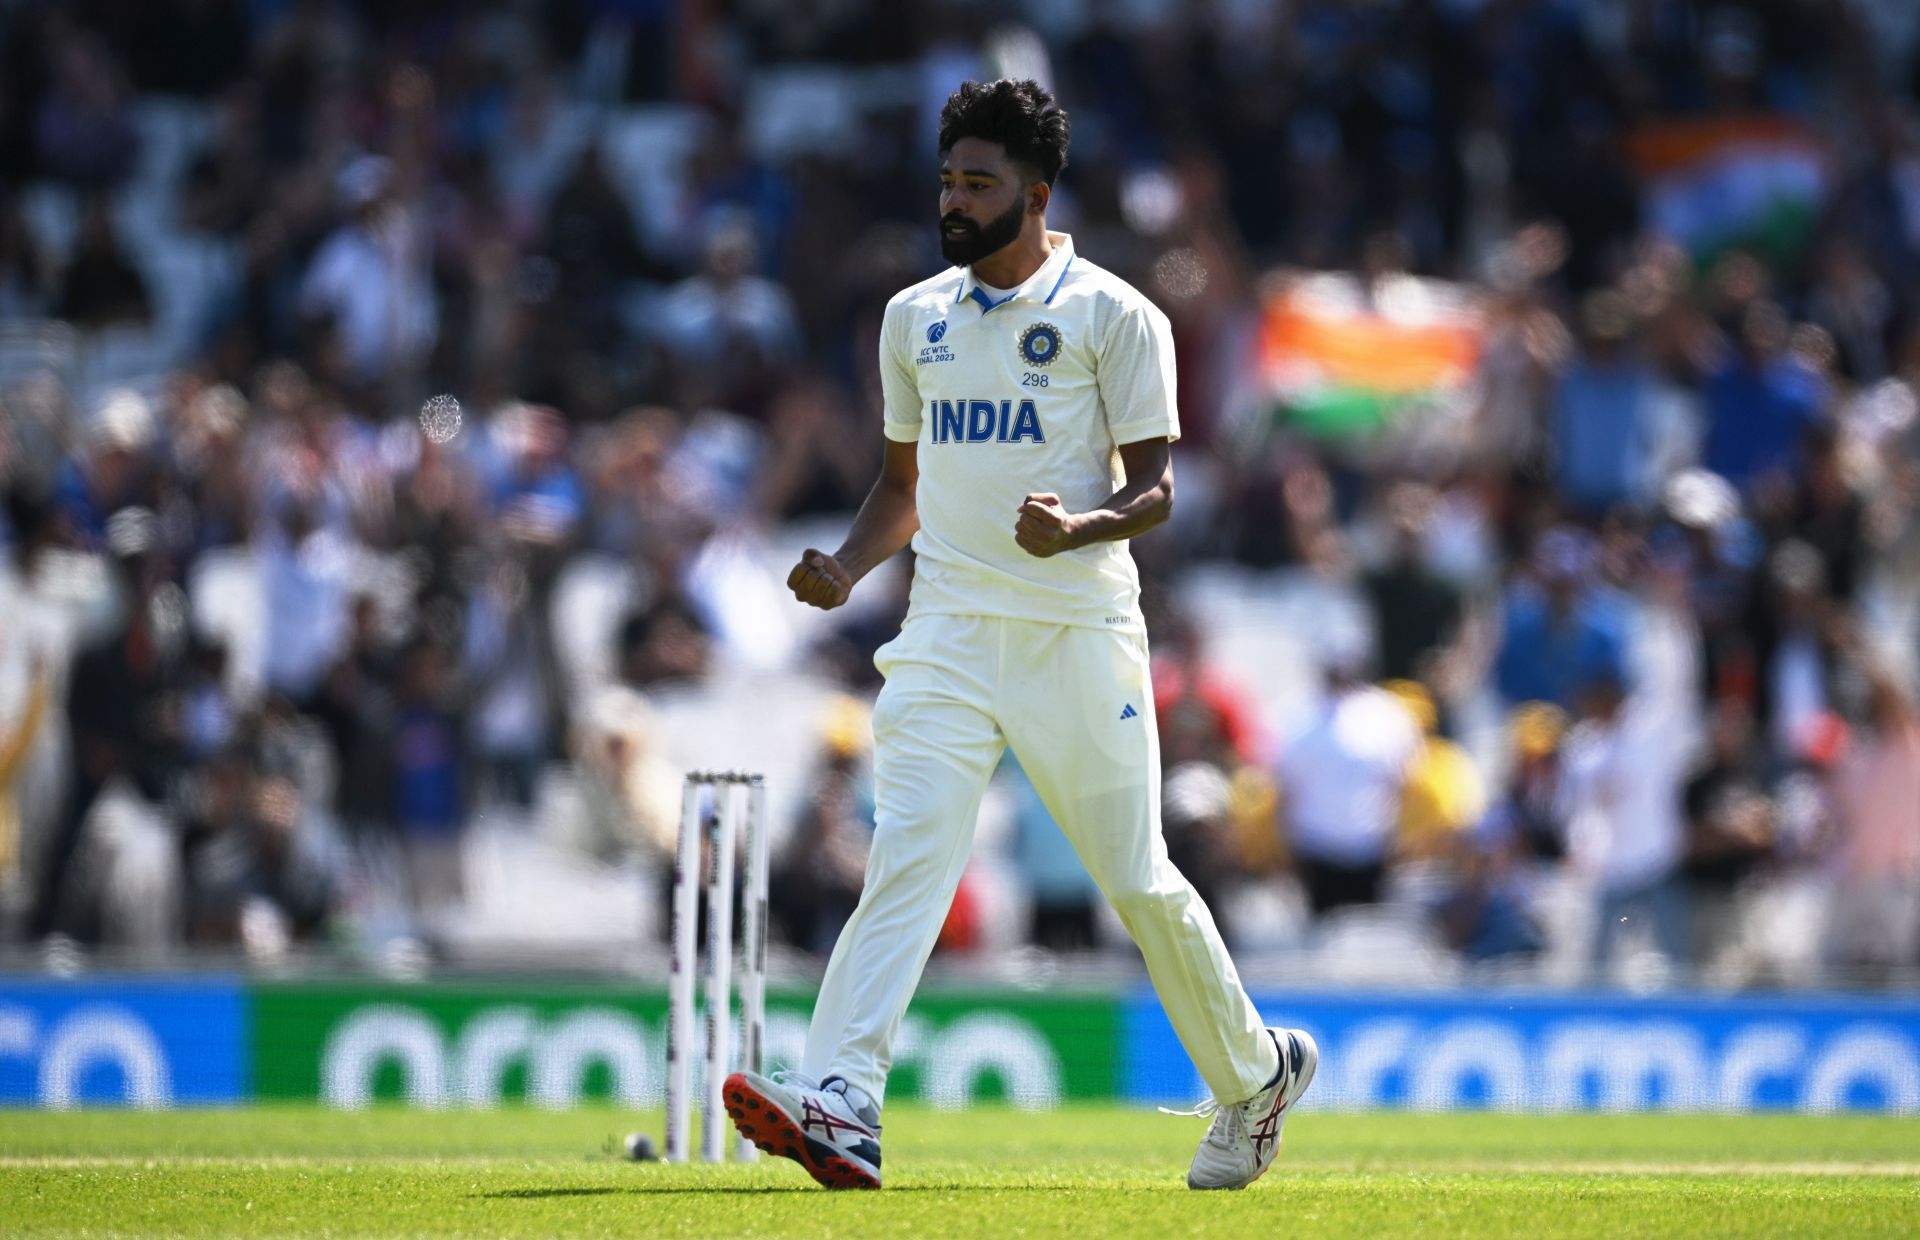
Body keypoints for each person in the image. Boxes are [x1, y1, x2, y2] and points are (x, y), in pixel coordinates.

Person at [722, 79, 1315, 1192]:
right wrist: (847, 567)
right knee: (907, 856)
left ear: (1036, 194)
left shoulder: (1114, 315)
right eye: (948, 178)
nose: (955, 198)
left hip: (1076, 629)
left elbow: (1158, 488)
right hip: (945, 629)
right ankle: (843, 1099)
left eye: (979, 182)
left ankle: (1256, 1074)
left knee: (1135, 880)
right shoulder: (915, 319)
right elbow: (903, 482)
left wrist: (1077, 526)